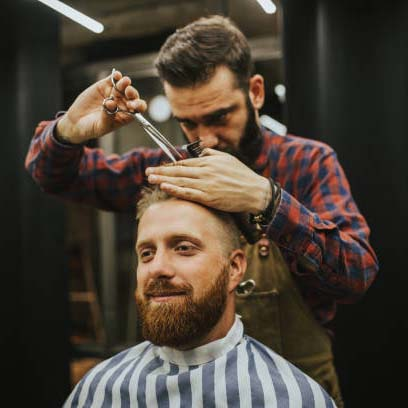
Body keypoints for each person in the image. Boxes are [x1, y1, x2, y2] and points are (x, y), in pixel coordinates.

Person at [25, 15, 378, 406]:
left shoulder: (307, 163)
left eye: (219, 117)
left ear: (255, 93)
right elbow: (53, 175)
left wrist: (267, 199)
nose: (205, 139)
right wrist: (69, 130)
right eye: (187, 123)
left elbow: (357, 272)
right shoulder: (170, 168)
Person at [63, 187, 336, 407]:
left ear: (234, 268)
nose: (157, 267)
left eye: (183, 248)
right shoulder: (99, 391)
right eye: (146, 253)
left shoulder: (294, 398)